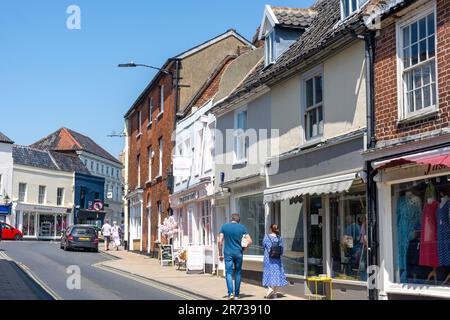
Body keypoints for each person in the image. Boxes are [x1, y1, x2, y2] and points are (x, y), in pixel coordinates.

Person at [218, 213, 252, 300]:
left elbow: (220, 241)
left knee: (228, 273)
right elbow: (250, 241)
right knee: (238, 273)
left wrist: (220, 254)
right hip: (238, 253)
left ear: (231, 219)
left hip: (228, 253)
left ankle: (230, 294)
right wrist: (243, 249)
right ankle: (237, 295)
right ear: (238, 220)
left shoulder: (224, 227)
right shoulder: (242, 228)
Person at [263, 224, 288, 299]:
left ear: (271, 229)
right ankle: (275, 294)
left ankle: (270, 289)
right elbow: (281, 249)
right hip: (277, 259)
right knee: (276, 275)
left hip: (268, 259)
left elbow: (264, 246)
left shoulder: (266, 237)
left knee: (268, 274)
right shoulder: (279, 238)